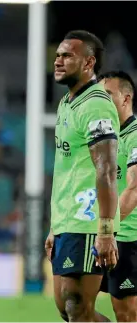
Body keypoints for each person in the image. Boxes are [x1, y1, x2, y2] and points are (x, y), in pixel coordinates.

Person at [44, 30, 120, 322]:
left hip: (87, 221)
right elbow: (68, 169)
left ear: (89, 63)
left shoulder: (96, 104)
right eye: (57, 56)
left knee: (77, 306)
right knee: (67, 308)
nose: (58, 61)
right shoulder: (67, 103)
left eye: (67, 56)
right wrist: (55, 227)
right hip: (67, 222)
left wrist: (105, 229)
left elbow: (106, 170)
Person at [98, 71, 137, 322]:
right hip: (97, 233)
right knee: (72, 302)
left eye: (107, 95)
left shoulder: (135, 136)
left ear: (126, 99)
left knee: (126, 315)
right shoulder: (102, 137)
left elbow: (134, 188)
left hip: (126, 237)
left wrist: (108, 230)